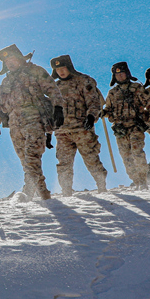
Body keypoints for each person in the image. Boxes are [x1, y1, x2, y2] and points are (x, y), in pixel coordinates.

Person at [0, 45, 64, 200]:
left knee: (32, 159)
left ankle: (42, 195)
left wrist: (58, 107)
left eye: (12, 59)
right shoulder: (6, 82)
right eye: (7, 61)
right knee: (25, 162)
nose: (10, 63)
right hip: (14, 125)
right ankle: (31, 193)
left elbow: (52, 89)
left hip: (34, 119)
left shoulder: (34, 71)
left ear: (19, 59)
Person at [49, 55, 107, 195]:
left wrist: (91, 116)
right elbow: (51, 111)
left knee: (91, 158)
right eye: (58, 69)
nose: (61, 72)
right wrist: (48, 132)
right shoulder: (55, 87)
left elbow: (93, 102)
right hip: (62, 132)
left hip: (82, 129)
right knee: (63, 163)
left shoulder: (83, 81)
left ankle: (101, 186)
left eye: (63, 68)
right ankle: (66, 191)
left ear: (69, 67)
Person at [102, 62, 150, 189]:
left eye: (122, 73)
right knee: (126, 157)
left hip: (136, 126)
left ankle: (143, 180)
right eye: (117, 74)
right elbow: (108, 108)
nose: (120, 76)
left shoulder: (137, 88)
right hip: (120, 129)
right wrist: (103, 112)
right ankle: (136, 180)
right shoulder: (112, 92)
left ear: (127, 74)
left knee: (137, 153)